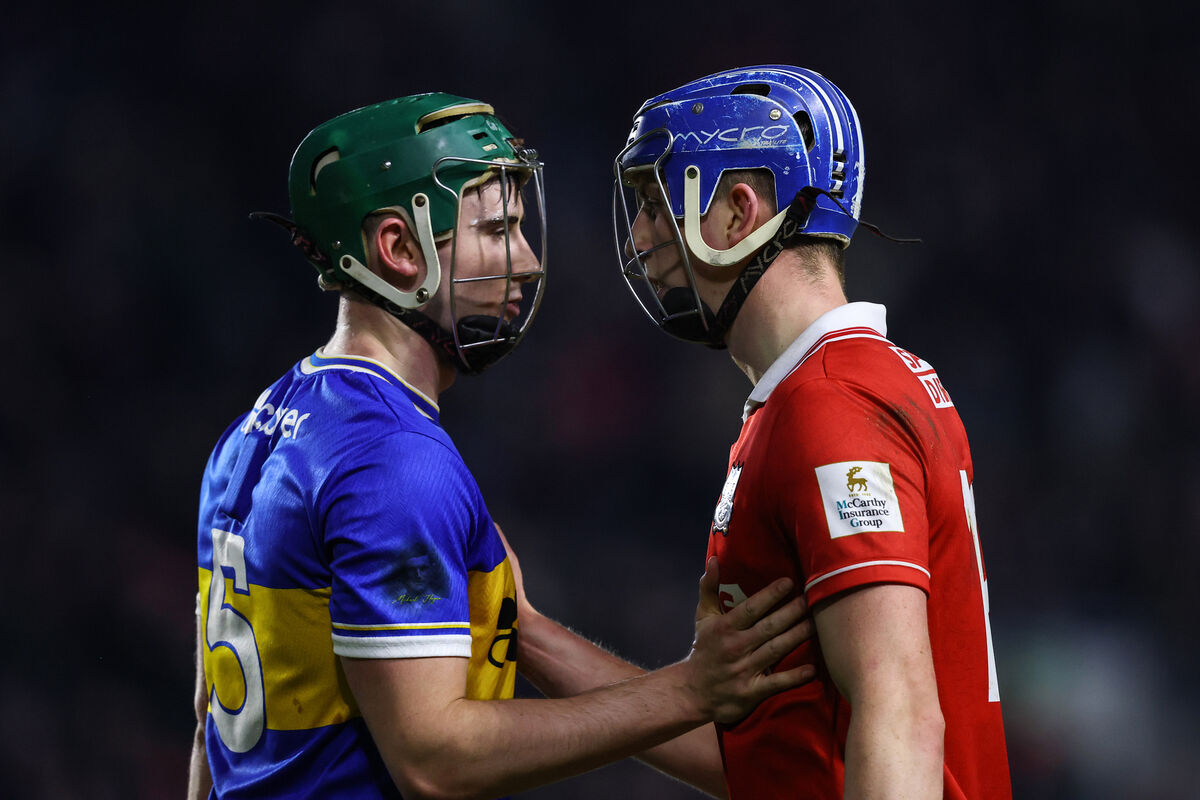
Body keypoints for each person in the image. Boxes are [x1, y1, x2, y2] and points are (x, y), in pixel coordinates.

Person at [187, 92, 816, 800]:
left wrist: (530, 627)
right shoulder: (389, 460)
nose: (525, 261)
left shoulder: (256, 430)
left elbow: (210, 731)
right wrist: (689, 691)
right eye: (497, 230)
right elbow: (435, 760)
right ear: (397, 249)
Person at [603, 65, 1011, 798]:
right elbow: (779, 759)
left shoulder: (829, 407)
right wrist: (531, 632)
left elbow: (900, 713)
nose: (640, 235)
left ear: (737, 210)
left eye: (656, 203)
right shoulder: (848, 385)